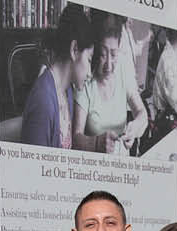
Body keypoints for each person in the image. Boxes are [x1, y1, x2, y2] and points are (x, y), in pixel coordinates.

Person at [14, 5, 93, 150]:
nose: (90, 73)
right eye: (89, 59)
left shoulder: (67, 90)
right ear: (74, 50)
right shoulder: (43, 101)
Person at [75, 14, 148, 155]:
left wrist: (135, 127)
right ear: (95, 51)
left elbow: (142, 114)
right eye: (102, 54)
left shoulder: (123, 67)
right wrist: (96, 143)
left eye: (114, 54)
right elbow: (75, 137)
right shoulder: (85, 76)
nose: (108, 65)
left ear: (120, 48)